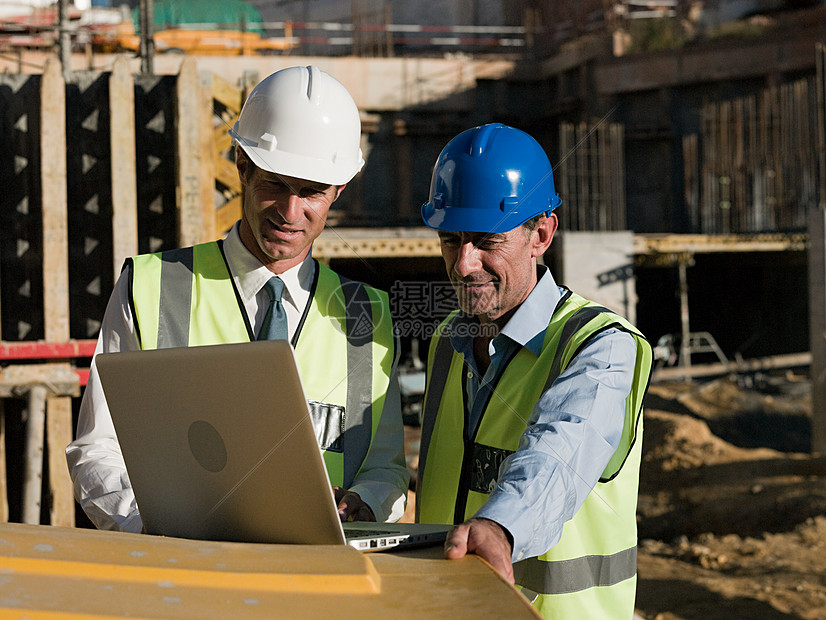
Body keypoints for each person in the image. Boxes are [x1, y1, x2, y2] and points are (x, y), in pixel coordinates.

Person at [67, 65, 408, 533]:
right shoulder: (150, 288)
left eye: (311, 192)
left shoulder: (365, 315)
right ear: (242, 167)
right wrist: (150, 526)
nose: (290, 213)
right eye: (275, 185)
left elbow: (386, 470)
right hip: (185, 577)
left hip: (319, 587)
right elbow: (98, 448)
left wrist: (363, 505)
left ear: (339, 189)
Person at [415, 123, 652, 618]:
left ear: (540, 234)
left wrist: (501, 528)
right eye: (451, 239)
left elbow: (561, 450)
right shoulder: (446, 345)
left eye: (486, 240)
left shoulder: (602, 348)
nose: (463, 263)